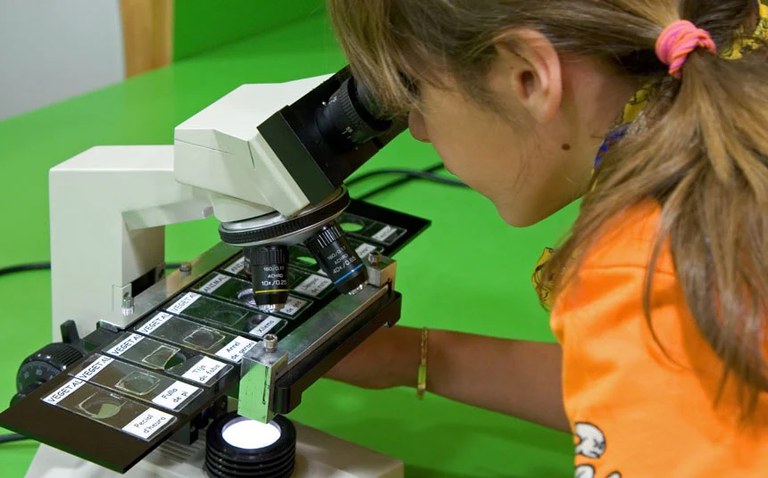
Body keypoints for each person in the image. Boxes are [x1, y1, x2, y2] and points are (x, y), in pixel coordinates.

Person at [325, 1, 768, 476]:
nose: (417, 128)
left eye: (414, 89)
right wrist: (412, 357)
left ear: (529, 76)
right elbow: (678, 393)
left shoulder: (648, 278)